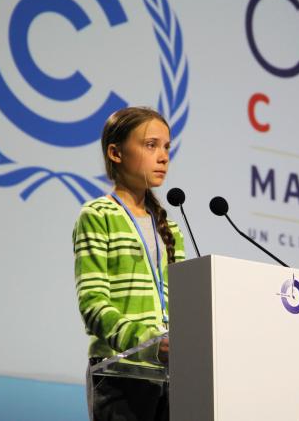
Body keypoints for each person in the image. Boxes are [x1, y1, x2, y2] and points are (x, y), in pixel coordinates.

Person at [72, 107, 186, 421]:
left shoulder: (170, 228)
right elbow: (94, 304)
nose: (163, 156)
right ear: (116, 152)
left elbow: (183, 305)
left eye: (166, 147)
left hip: (171, 380)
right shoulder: (98, 215)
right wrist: (151, 344)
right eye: (151, 145)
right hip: (121, 375)